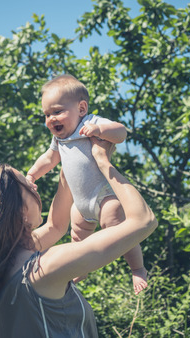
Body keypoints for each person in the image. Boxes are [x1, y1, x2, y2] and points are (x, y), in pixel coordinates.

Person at [0, 137, 157, 337]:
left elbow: (56, 226)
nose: (34, 186)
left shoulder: (4, 265)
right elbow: (143, 221)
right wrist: (104, 162)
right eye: (26, 183)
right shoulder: (45, 268)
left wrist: (73, 157)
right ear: (18, 209)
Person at [26, 74, 148, 294]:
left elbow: (121, 132)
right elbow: (48, 159)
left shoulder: (90, 122)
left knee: (117, 225)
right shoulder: (59, 140)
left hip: (103, 195)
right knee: (78, 236)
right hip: (80, 203)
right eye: (47, 114)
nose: (51, 119)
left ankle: (137, 268)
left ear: (81, 108)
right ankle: (80, 267)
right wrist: (32, 175)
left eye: (57, 111)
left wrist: (100, 131)